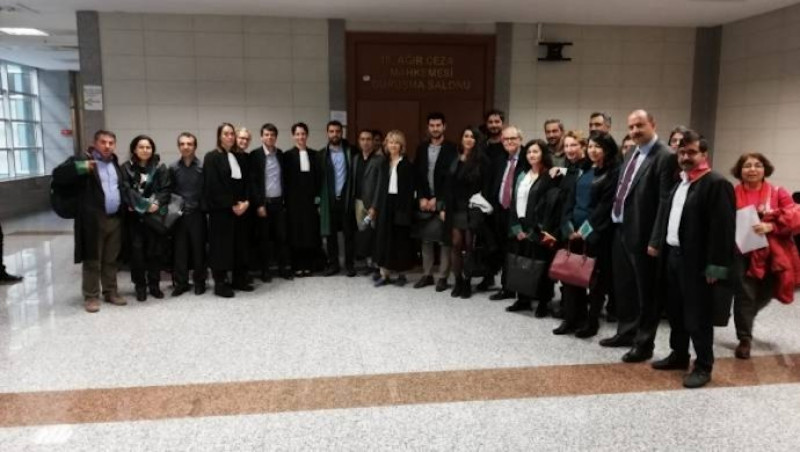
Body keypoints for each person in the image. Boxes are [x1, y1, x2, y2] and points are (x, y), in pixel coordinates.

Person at [650, 130, 736, 389]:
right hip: (673, 257)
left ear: (704, 154)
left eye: (692, 152)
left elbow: (723, 230)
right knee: (675, 312)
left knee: (697, 316)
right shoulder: (681, 182)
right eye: (682, 152)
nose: (685, 157)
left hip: (698, 264)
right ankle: (679, 355)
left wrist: (716, 268)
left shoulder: (716, 184)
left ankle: (703, 365)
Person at [600, 110, 678, 365]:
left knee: (646, 294)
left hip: (644, 236)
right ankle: (626, 333)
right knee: (625, 288)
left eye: (639, 126)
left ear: (653, 124)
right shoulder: (632, 152)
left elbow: (665, 201)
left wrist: (656, 240)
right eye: (631, 127)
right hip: (621, 229)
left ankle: (644, 344)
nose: (634, 131)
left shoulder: (666, 156)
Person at [730, 153, 800, 359]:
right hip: (742, 251)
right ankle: (744, 338)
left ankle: (747, 315)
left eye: (757, 165)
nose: (752, 169)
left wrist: (771, 226)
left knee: (766, 292)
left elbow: (796, 217)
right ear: (740, 171)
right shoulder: (732, 193)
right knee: (745, 294)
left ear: (765, 169)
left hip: (772, 253)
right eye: (747, 166)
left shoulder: (778, 192)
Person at [52, 130, 126, 313]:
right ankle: (91, 296)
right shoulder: (82, 160)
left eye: (111, 143)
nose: (107, 146)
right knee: (92, 259)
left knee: (111, 259)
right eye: (103, 142)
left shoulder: (114, 163)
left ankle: (110, 292)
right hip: (93, 220)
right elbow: (58, 175)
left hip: (114, 218)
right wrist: (81, 168)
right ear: (95, 143)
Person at [555, 132, 620, 337]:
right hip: (572, 231)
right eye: (590, 146)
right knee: (571, 277)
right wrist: (567, 226)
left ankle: (591, 323)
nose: (593, 150)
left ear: (607, 150)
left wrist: (583, 231)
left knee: (595, 282)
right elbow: (570, 200)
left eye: (598, 147)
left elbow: (604, 208)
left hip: (595, 235)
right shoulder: (584, 170)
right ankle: (571, 319)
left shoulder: (613, 173)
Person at [505, 139, 560, 313]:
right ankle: (523, 299)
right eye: (529, 152)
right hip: (520, 227)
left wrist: (535, 229)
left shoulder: (550, 176)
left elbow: (550, 205)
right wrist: (516, 228)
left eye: (535, 151)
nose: (531, 155)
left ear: (543, 154)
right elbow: (514, 202)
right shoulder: (522, 175)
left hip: (539, 228)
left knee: (541, 264)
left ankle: (544, 301)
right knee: (522, 263)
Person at [444, 126, 494, 299]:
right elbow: (448, 185)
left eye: (472, 137)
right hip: (455, 208)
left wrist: (481, 207)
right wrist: (444, 207)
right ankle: (457, 280)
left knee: (469, 246)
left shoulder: (483, 161)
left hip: (473, 208)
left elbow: (487, 187)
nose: (468, 139)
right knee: (456, 244)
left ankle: (467, 281)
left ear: (477, 140)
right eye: (466, 136)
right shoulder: (455, 158)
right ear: (461, 138)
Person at [203, 123, 252, 298]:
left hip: (241, 209)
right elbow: (213, 185)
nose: (230, 137)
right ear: (219, 136)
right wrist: (232, 204)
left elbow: (247, 182)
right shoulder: (212, 157)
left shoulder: (239, 157)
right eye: (226, 134)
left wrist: (246, 202)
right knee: (221, 247)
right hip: (221, 210)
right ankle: (220, 283)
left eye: (232, 134)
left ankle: (239, 279)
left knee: (239, 245)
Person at [120, 135, 171, 302]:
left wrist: (156, 203)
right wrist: (143, 205)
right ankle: (140, 286)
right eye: (141, 147)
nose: (145, 150)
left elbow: (165, 189)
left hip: (154, 218)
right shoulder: (126, 168)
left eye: (148, 147)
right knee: (137, 254)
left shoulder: (160, 167)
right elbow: (125, 190)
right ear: (134, 149)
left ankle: (154, 285)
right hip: (134, 219)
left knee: (155, 252)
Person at [413, 112, 458, 292]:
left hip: (444, 201)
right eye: (432, 125)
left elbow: (453, 178)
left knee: (444, 240)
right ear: (428, 127)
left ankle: (443, 277)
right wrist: (422, 197)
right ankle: (427, 274)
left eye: (438, 125)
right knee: (426, 239)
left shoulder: (452, 148)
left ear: (444, 126)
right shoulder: (421, 148)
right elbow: (417, 175)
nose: (435, 129)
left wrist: (438, 200)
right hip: (425, 201)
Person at [488, 126, 531, 302]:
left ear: (520, 139)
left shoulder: (528, 158)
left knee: (518, 251)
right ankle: (507, 288)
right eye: (505, 139)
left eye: (513, 138)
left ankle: (521, 291)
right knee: (505, 250)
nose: (509, 142)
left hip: (519, 213)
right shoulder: (500, 159)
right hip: (501, 210)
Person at [249, 123, 292, 282]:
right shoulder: (255, 155)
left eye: (272, 135)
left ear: (276, 137)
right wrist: (259, 204)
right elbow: (253, 182)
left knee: (281, 237)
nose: (270, 137)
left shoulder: (280, 154)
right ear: (261, 137)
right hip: (264, 204)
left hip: (279, 203)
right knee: (264, 239)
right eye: (266, 134)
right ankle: (265, 270)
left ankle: (282, 268)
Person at [373, 130, 416, 286]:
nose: (393, 145)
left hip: (401, 205)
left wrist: (407, 210)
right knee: (384, 238)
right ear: (386, 145)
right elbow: (379, 186)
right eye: (390, 142)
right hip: (385, 204)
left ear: (401, 146)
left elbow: (410, 189)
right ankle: (384, 274)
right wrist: (375, 206)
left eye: (396, 143)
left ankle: (401, 274)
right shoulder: (383, 163)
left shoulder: (407, 165)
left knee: (400, 240)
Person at [170, 132, 207, 296]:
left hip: (197, 214)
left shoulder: (203, 167)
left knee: (199, 250)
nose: (186, 147)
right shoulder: (172, 168)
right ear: (179, 147)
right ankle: (181, 283)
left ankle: (200, 282)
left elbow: (207, 190)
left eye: (189, 144)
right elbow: (170, 191)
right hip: (179, 215)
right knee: (180, 251)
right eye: (182, 144)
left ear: (195, 146)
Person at [283, 122, 322, 277]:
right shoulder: (287, 156)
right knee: (296, 234)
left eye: (303, 134)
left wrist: (318, 199)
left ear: (307, 135)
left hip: (310, 202)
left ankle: (309, 265)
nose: (300, 137)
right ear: (293, 136)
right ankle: (297, 266)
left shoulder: (315, 155)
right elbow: (285, 180)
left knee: (310, 233)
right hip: (294, 202)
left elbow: (318, 179)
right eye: (297, 134)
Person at [319, 120, 356, 277]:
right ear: (327, 133)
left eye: (338, 131)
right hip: (329, 201)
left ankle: (349, 265)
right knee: (331, 235)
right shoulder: (321, 154)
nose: (335, 134)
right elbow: (318, 179)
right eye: (332, 131)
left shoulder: (351, 151)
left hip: (346, 200)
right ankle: (333, 265)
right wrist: (318, 202)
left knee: (349, 234)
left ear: (342, 133)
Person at [351, 129, 384, 276]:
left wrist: (374, 206)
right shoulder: (355, 159)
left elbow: (380, 185)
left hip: (372, 204)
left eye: (368, 139)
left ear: (373, 141)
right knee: (363, 233)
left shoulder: (379, 160)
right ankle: (367, 263)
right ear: (359, 141)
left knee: (375, 233)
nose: (365, 142)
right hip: (358, 202)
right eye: (362, 139)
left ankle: (377, 264)